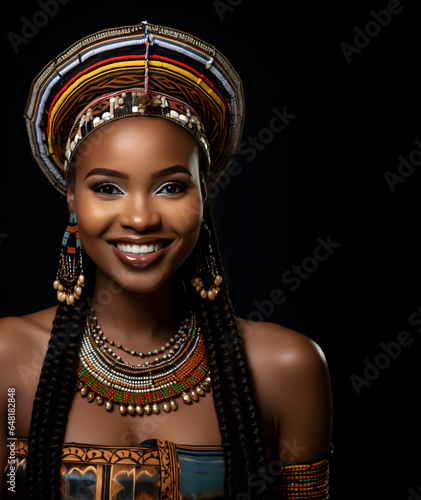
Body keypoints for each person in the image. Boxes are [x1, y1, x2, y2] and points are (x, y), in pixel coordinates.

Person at [0, 20, 332, 499]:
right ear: (72, 197)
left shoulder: (286, 367)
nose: (139, 217)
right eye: (107, 188)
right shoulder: (8, 359)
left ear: (204, 196)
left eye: (171, 187)